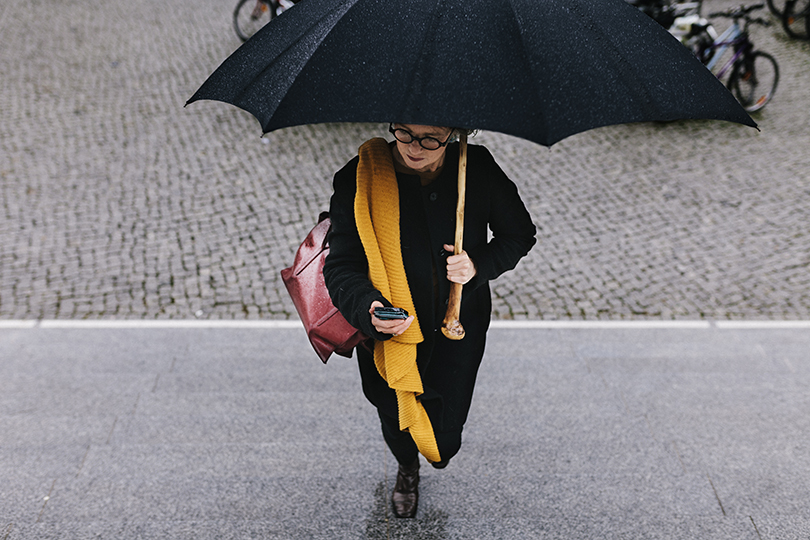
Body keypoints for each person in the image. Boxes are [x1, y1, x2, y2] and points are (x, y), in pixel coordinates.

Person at [323, 123, 536, 518]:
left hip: (458, 327)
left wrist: (477, 264)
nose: (414, 148)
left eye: (430, 139)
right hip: (388, 334)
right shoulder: (359, 176)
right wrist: (368, 309)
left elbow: (519, 234)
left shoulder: (477, 168)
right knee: (394, 413)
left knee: (446, 435)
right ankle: (406, 468)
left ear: (454, 133)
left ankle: (432, 451)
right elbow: (341, 265)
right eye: (404, 133)